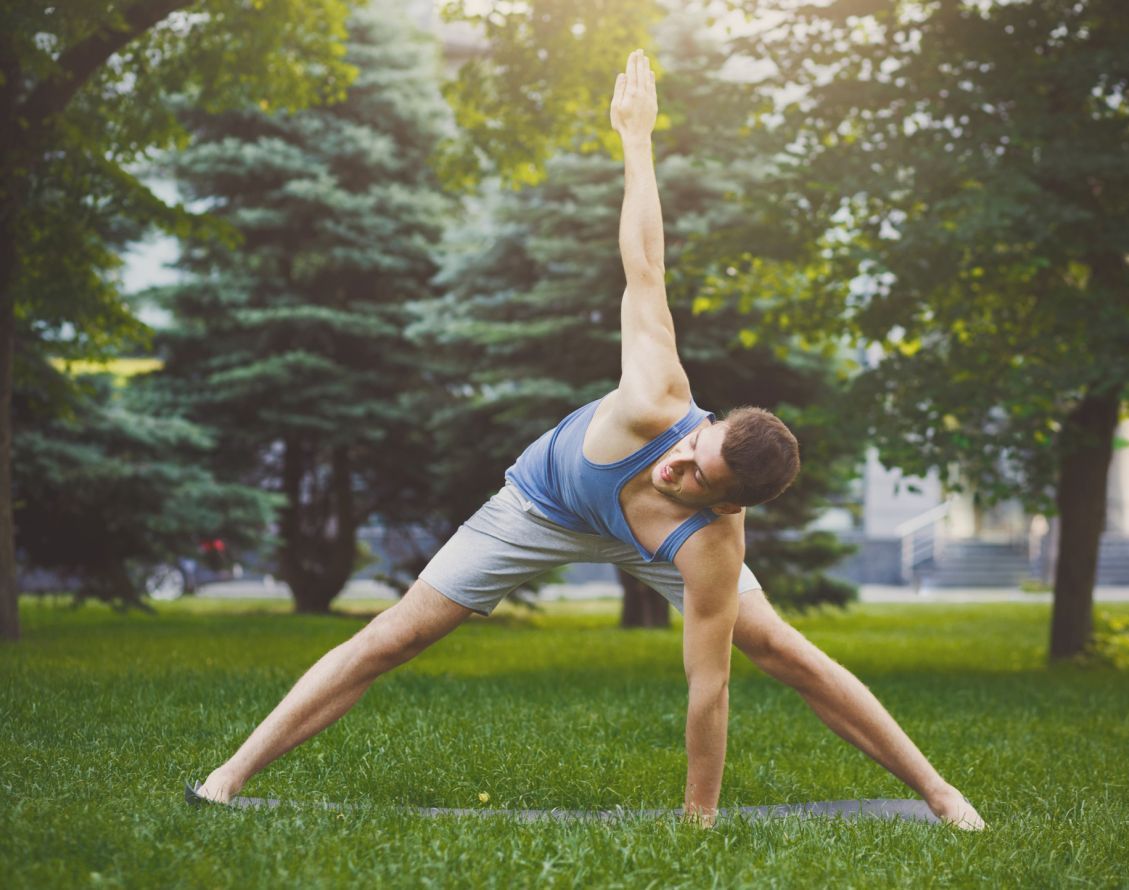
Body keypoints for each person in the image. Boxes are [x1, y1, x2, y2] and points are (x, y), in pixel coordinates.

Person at [195, 50, 985, 831]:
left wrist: (698, 823)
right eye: (693, 447)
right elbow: (645, 264)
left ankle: (942, 794)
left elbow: (708, 687)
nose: (678, 463)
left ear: (729, 505)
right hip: (542, 505)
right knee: (393, 635)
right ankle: (228, 777)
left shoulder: (713, 546)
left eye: (698, 479)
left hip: (650, 542)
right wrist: (636, 143)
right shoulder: (655, 398)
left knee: (784, 652)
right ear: (704, 427)